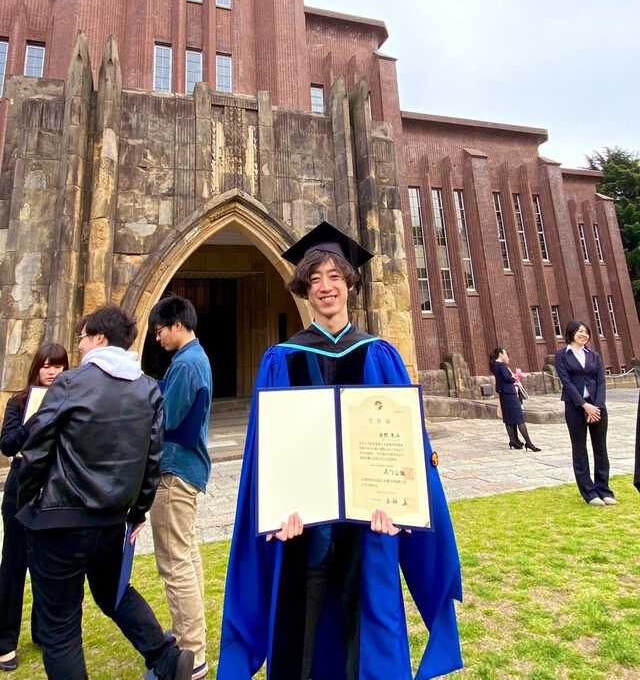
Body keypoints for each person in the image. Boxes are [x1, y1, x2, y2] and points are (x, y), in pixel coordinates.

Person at [216, 221, 463, 680]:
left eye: (334, 276)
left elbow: (408, 446)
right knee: (300, 633)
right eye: (315, 279)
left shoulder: (379, 354)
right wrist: (270, 513)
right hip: (301, 532)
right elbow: (261, 457)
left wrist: (404, 505)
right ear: (304, 289)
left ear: (350, 283)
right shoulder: (281, 358)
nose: (325, 287)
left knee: (372, 635)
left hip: (369, 530)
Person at [16, 305, 195, 680]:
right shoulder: (148, 389)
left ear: (99, 338)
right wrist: (137, 512)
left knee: (60, 627)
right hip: (111, 521)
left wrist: (28, 499)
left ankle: (165, 657)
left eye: (82, 338)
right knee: (114, 592)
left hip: (60, 518)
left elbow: (36, 448)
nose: (79, 346)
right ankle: (165, 656)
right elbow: (152, 460)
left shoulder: (71, 383)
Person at [147, 296, 213, 680]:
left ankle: (191, 653)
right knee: (187, 557)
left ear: (176, 325)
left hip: (174, 472)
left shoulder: (187, 363)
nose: (157, 338)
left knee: (174, 565)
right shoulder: (193, 360)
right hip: (186, 470)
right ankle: (193, 637)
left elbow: (165, 419)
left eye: (159, 331)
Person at [0, 342, 69, 673]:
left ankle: (42, 631)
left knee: (47, 564)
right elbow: (7, 443)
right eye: (46, 365)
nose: (53, 371)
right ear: (36, 369)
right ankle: (5, 641)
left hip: (53, 492)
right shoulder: (19, 402)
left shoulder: (73, 402)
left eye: (59, 365)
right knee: (13, 566)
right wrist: (35, 418)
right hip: (19, 489)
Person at [554, 319, 616, 506]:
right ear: (571, 333)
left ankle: (603, 489)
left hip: (597, 407)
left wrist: (596, 406)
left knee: (600, 449)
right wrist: (583, 405)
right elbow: (567, 383)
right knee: (580, 449)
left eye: (586, 332)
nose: (584, 335)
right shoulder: (562, 355)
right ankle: (589, 493)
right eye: (580, 331)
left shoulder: (594, 356)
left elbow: (601, 381)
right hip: (575, 407)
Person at [489, 348, 540, 452]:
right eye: (505, 354)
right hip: (510, 394)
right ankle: (528, 443)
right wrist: (516, 377)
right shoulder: (502, 365)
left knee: (508, 418)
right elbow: (507, 378)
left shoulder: (494, 365)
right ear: (500, 354)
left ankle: (513, 441)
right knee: (519, 418)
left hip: (503, 394)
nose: (507, 356)